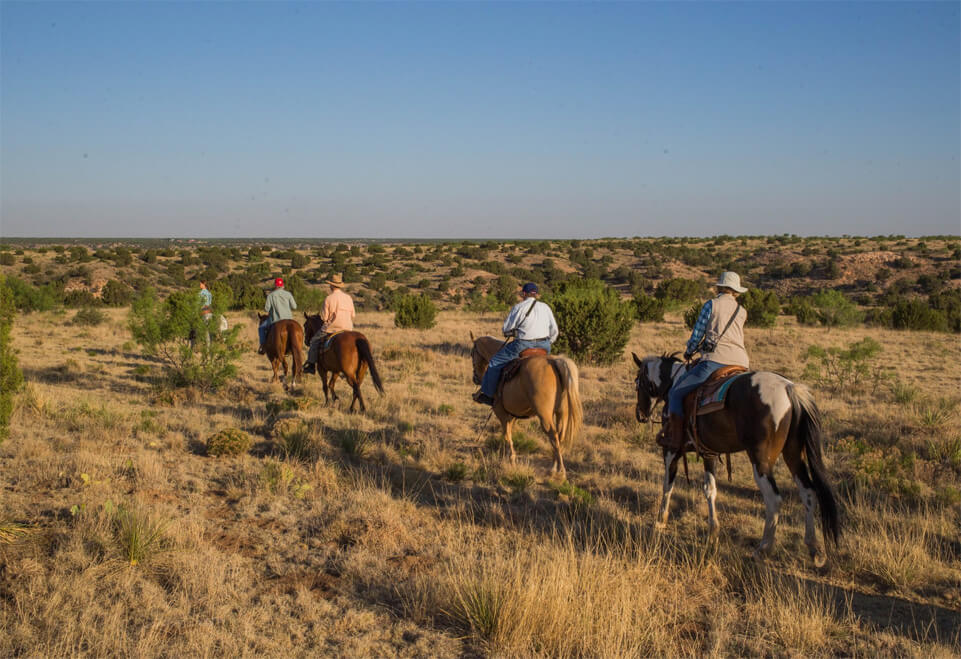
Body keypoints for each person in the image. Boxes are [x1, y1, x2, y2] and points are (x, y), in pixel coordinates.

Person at [662, 271, 750, 452]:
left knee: (675, 393)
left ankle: (677, 439)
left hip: (716, 360)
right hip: (741, 362)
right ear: (735, 290)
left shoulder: (711, 305)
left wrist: (689, 351)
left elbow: (697, 334)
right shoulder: (742, 311)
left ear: (719, 287)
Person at [473, 282, 559, 406]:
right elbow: (554, 331)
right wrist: (547, 343)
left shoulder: (519, 307)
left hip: (523, 345)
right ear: (536, 294)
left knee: (494, 362)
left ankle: (488, 395)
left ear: (524, 294)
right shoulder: (546, 307)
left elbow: (506, 329)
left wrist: (513, 332)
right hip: (544, 346)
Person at [303, 273, 355, 374]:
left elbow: (324, 318)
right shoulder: (348, 298)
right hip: (348, 328)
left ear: (331, 285)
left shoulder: (329, 298)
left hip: (332, 328)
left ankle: (311, 365)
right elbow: (353, 315)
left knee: (314, 341)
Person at [259, 277, 297, 354]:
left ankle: (263, 346)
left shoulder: (270, 295)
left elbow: (266, 309)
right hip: (289, 319)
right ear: (283, 285)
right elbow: (294, 307)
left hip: (275, 320)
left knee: (261, 328)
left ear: (275, 286)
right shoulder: (288, 294)